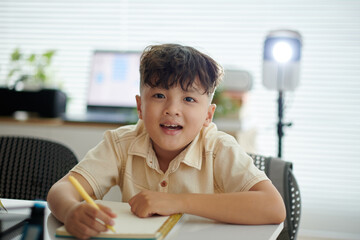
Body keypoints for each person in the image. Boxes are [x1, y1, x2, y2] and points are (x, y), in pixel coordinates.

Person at [47, 43, 286, 239]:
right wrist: (71, 210)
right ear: (141, 107)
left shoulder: (218, 148)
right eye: (159, 95)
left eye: (189, 99)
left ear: (208, 115)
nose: (172, 109)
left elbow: (274, 207)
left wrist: (176, 202)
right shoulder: (121, 143)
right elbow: (62, 189)